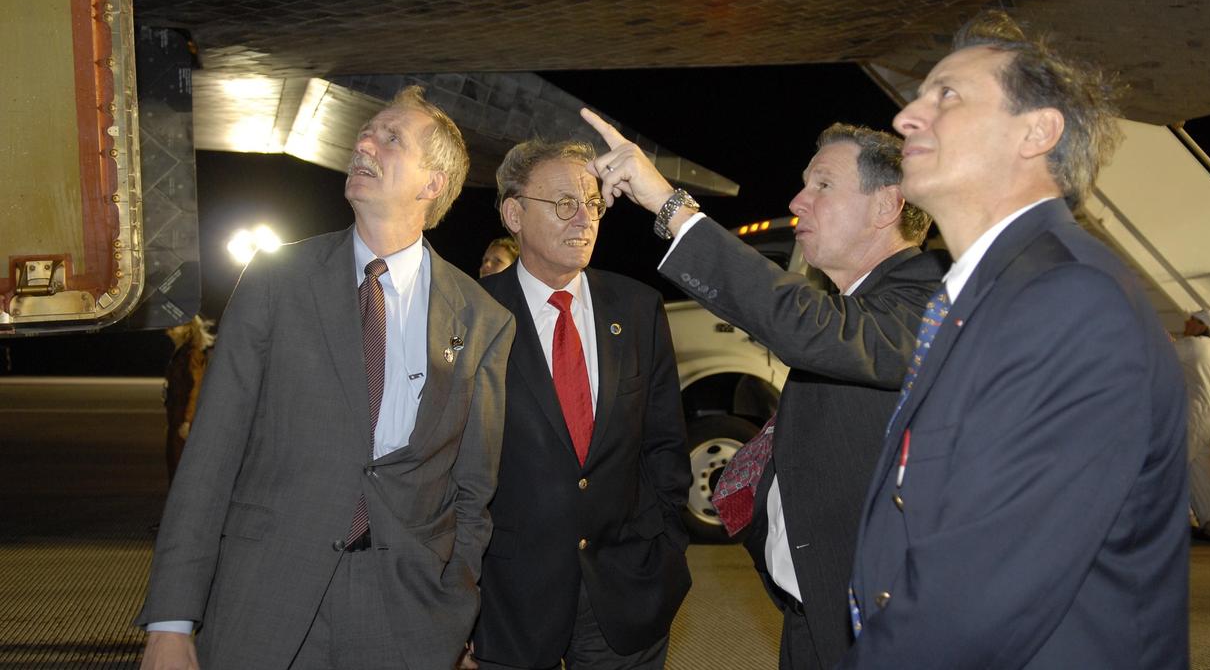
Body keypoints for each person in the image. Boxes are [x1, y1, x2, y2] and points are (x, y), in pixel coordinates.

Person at [834, 12, 1186, 668]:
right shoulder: (986, 298)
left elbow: (975, 601)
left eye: (948, 95)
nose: (909, 116)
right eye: (919, 97)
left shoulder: (1068, 302)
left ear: (1036, 132)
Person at [135, 86, 515, 670]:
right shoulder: (275, 281)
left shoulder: (483, 319)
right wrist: (171, 620)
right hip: (265, 602)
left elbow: (472, 490)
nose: (364, 141)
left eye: (392, 138)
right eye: (366, 131)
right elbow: (210, 458)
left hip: (407, 620)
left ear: (432, 183)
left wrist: (455, 608)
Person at [580, 112, 945, 670]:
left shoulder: (924, 305)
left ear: (886, 205)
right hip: (815, 617)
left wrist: (671, 207)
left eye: (823, 184)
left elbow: (805, 326)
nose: (799, 200)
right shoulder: (865, 308)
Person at [470, 139, 691, 670]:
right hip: (509, 600)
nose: (584, 218)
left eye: (593, 203)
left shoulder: (638, 308)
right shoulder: (473, 313)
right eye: (564, 203)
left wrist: (664, 549)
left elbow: (665, 445)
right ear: (514, 213)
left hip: (625, 591)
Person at [1175, 308, 1210, 541]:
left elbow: (1157, 358)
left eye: (1192, 320)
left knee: (1171, 465)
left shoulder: (1192, 345)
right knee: (1201, 471)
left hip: (1192, 415)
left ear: (1201, 326)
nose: (1187, 323)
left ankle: (1175, 522)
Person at [162, 315, 215, 484]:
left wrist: (187, 421)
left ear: (188, 330)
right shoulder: (181, 353)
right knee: (174, 466)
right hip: (176, 419)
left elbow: (196, 389)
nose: (169, 329)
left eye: (176, 326)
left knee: (180, 470)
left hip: (184, 420)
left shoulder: (192, 355)